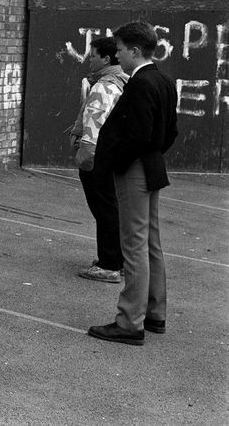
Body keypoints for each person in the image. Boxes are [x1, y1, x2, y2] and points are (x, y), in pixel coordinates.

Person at [87, 21, 178, 346]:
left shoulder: (141, 84)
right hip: (153, 165)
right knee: (150, 241)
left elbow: (136, 134)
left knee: (134, 244)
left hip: (136, 170)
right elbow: (169, 132)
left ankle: (129, 321)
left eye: (122, 50)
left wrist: (118, 163)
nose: (118, 55)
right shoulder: (163, 81)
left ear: (135, 50)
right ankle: (154, 312)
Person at [69, 36, 128, 283]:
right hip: (112, 154)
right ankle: (118, 260)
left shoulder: (105, 85)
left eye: (93, 55)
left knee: (104, 209)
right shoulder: (123, 81)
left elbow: (95, 124)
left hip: (98, 157)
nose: (89, 59)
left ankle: (109, 264)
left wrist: (85, 156)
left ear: (106, 58)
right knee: (111, 208)